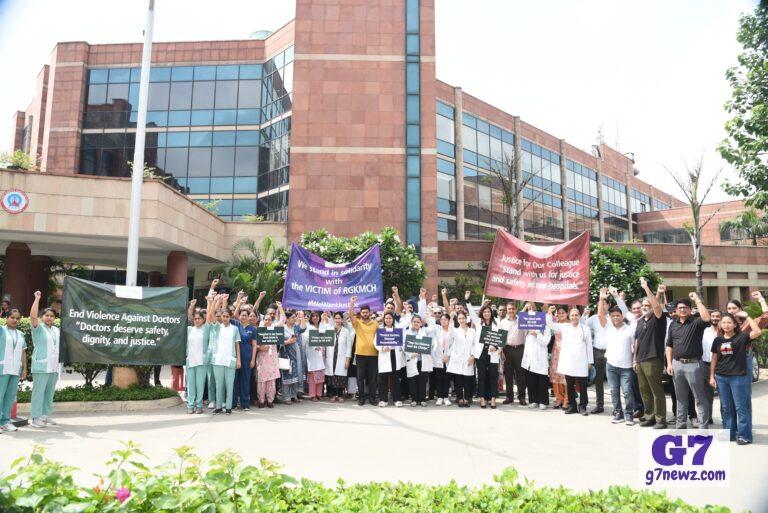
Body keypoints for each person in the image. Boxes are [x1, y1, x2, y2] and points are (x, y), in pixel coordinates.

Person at [710, 313, 761, 445]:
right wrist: (712, 376)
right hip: (721, 377)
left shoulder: (742, 337)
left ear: (734, 324)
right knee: (726, 408)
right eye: (724, 322)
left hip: (738, 377)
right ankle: (729, 434)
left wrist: (748, 316)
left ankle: (745, 436)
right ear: (720, 324)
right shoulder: (718, 340)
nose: (726, 325)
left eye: (729, 322)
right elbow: (714, 358)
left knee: (740, 407)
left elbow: (757, 331)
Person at [664, 292, 711, 430]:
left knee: (699, 398)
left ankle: (703, 427)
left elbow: (707, 318)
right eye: (680, 308)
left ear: (690, 309)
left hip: (694, 365)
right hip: (677, 365)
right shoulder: (673, 324)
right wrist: (669, 363)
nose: (682, 310)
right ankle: (681, 424)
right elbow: (669, 345)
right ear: (676, 310)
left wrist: (697, 300)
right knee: (680, 397)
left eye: (685, 307)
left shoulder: (696, 322)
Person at [633, 279, 668, 429]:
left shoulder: (658, 318)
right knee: (644, 390)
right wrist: (635, 360)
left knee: (656, 391)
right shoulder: (641, 321)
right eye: (644, 306)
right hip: (640, 359)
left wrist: (646, 287)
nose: (646, 308)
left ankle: (660, 419)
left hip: (653, 359)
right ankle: (649, 416)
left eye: (648, 305)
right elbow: (637, 341)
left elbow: (656, 305)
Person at [597, 288, 635, 426]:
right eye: (612, 316)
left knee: (627, 392)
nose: (615, 318)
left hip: (626, 367)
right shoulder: (608, 328)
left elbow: (635, 347)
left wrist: (617, 297)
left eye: (617, 315)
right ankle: (618, 412)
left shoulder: (630, 329)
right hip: (611, 365)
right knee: (613, 391)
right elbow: (601, 315)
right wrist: (601, 299)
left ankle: (629, 414)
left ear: (622, 316)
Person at [550, 305, 593, 415]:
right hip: (568, 361)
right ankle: (572, 406)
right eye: (572, 315)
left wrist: (590, 362)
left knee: (583, 385)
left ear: (579, 316)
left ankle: (582, 406)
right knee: (569, 385)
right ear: (570, 316)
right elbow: (550, 324)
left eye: (576, 315)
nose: (574, 317)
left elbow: (589, 346)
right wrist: (549, 312)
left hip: (581, 361)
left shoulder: (585, 329)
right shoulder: (565, 326)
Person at [28, 291, 60, 428]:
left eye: (51, 316)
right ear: (42, 317)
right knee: (38, 393)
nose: (49, 318)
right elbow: (32, 316)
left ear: (54, 318)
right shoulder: (38, 328)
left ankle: (45, 415)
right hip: (41, 366)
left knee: (49, 393)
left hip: (53, 367)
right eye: (46, 315)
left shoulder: (56, 330)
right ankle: (35, 418)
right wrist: (37, 299)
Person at [206, 294, 241, 414]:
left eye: (227, 316)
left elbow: (237, 345)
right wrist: (214, 301)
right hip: (218, 360)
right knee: (219, 385)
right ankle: (219, 406)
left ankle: (229, 407)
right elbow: (210, 315)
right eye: (223, 316)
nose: (225, 318)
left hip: (230, 360)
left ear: (230, 317)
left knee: (229, 385)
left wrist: (238, 360)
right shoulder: (217, 327)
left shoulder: (235, 329)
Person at [232, 292, 261, 410]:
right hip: (236, 357)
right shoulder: (236, 325)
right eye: (242, 315)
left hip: (248, 357)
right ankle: (233, 403)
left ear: (249, 317)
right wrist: (240, 303)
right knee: (235, 381)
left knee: (245, 381)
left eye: (245, 315)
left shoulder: (252, 329)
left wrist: (253, 360)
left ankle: (245, 404)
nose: (243, 317)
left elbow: (254, 346)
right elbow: (234, 314)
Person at [349, 296, 379, 406]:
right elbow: (351, 315)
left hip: (373, 355)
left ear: (370, 313)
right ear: (360, 313)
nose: (365, 314)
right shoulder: (357, 323)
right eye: (363, 312)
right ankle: (361, 398)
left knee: (372, 379)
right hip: (360, 355)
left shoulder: (375, 323)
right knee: (360, 378)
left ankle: (372, 399)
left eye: (367, 312)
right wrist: (352, 303)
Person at [520, 303, 550, 410]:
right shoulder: (526, 328)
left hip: (540, 358)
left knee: (542, 380)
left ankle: (543, 401)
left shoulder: (544, 326)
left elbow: (546, 341)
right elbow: (520, 318)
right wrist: (525, 308)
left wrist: (537, 334)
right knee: (530, 380)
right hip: (529, 358)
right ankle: (533, 400)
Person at [0, 309, 26, 432]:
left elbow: (23, 352)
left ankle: (6, 421)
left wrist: (24, 369)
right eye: (12, 317)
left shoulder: (21, 334)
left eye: (17, 318)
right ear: (6, 318)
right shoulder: (1, 330)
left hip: (15, 369)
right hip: (2, 368)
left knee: (9, 397)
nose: (15, 320)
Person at [404, 309, 437, 407]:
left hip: (423, 359)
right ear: (411, 322)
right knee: (413, 379)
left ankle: (422, 399)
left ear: (421, 323)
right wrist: (410, 354)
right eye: (414, 321)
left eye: (418, 322)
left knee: (423, 380)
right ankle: (414, 399)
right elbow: (403, 345)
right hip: (412, 359)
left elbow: (433, 327)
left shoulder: (425, 331)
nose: (416, 323)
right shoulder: (406, 332)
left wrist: (430, 317)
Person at [256, 304, 285, 408]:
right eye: (266, 319)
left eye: (269, 319)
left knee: (271, 381)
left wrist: (280, 307)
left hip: (272, 359)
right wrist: (260, 348)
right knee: (262, 381)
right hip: (262, 359)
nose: (267, 321)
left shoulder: (275, 328)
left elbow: (283, 320)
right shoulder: (259, 329)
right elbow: (255, 344)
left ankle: (270, 400)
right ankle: (261, 400)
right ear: (263, 320)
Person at [376, 311, 407, 407]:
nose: (388, 320)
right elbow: (375, 343)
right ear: (384, 320)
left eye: (390, 318)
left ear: (393, 319)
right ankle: (383, 399)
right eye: (386, 318)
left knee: (395, 378)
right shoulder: (380, 330)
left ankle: (396, 399)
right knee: (383, 378)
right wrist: (381, 348)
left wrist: (401, 347)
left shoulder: (397, 330)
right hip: (385, 354)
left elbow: (402, 342)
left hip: (395, 355)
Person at [446, 311, 475, 408]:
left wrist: (473, 356)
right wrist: (451, 318)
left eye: (463, 318)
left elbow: (475, 345)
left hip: (468, 358)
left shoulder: (472, 331)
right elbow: (449, 334)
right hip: (457, 359)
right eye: (460, 318)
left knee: (467, 380)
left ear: (466, 319)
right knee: (458, 381)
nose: (462, 320)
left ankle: (466, 399)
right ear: (457, 320)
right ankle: (459, 398)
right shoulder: (455, 330)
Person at [586, 293, 609, 414]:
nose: (602, 306)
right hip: (598, 352)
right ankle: (600, 405)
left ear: (608, 305)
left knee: (614, 380)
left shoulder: (614, 317)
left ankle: (619, 407)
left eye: (604, 303)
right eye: (600, 303)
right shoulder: (593, 318)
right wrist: (584, 315)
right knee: (599, 380)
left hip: (611, 352)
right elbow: (582, 325)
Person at [500, 301, 527, 406]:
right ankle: (509, 397)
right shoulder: (503, 322)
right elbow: (501, 338)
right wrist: (501, 351)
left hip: (520, 349)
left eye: (512, 309)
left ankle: (522, 397)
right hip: (507, 350)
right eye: (509, 309)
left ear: (516, 309)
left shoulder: (522, 320)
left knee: (521, 375)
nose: (511, 311)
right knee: (508, 375)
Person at [185, 299, 209, 414]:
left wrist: (210, 301)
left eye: (199, 318)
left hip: (201, 361)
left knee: (200, 385)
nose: (196, 320)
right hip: (191, 360)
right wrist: (191, 306)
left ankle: (199, 405)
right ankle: (190, 405)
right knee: (190, 385)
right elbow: (188, 317)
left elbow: (211, 315)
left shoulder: (206, 329)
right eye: (195, 319)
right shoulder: (189, 329)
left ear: (203, 320)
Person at [325, 312, 354, 402]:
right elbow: (324, 343)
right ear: (333, 319)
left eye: (339, 318)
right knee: (332, 376)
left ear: (342, 320)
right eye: (336, 318)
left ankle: (340, 395)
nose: (337, 320)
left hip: (341, 357)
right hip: (331, 357)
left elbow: (349, 347)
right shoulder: (329, 330)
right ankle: (333, 395)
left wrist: (347, 360)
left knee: (341, 376)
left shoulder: (346, 331)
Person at [699, 309, 720, 428]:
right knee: (707, 394)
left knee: (725, 395)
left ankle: (728, 421)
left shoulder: (724, 331)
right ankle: (708, 417)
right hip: (705, 365)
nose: (715, 318)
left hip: (722, 366)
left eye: (717, 316)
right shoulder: (704, 330)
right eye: (713, 316)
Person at [302, 311, 329, 401]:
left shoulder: (322, 326)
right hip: (312, 354)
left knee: (320, 375)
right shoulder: (308, 327)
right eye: (313, 316)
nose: (315, 318)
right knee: (313, 376)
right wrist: (314, 346)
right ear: (311, 318)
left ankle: (319, 393)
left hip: (321, 353)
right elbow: (306, 338)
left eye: (317, 316)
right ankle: (313, 395)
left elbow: (327, 336)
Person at [279, 306, 303, 404]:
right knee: (287, 375)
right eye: (293, 317)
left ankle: (294, 395)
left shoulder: (295, 328)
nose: (294, 319)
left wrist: (301, 316)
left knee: (296, 375)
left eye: (294, 317)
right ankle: (286, 397)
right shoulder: (282, 328)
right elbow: (278, 342)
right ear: (287, 319)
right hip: (286, 355)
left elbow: (304, 328)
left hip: (296, 355)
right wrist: (288, 341)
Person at [548, 306, 569, 409]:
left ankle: (566, 399)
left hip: (566, 352)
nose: (561, 315)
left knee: (565, 377)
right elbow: (549, 323)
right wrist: (549, 312)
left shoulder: (570, 324)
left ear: (567, 313)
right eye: (559, 313)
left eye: (563, 313)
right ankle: (558, 398)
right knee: (555, 376)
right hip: (556, 351)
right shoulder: (555, 324)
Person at [432, 312, 453, 406]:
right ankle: (440, 397)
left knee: (447, 378)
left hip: (448, 357)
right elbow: (430, 320)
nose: (443, 321)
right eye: (442, 319)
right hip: (438, 357)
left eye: (445, 319)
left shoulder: (452, 331)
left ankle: (446, 397)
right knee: (439, 377)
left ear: (449, 321)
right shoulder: (437, 329)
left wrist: (448, 355)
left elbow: (454, 344)